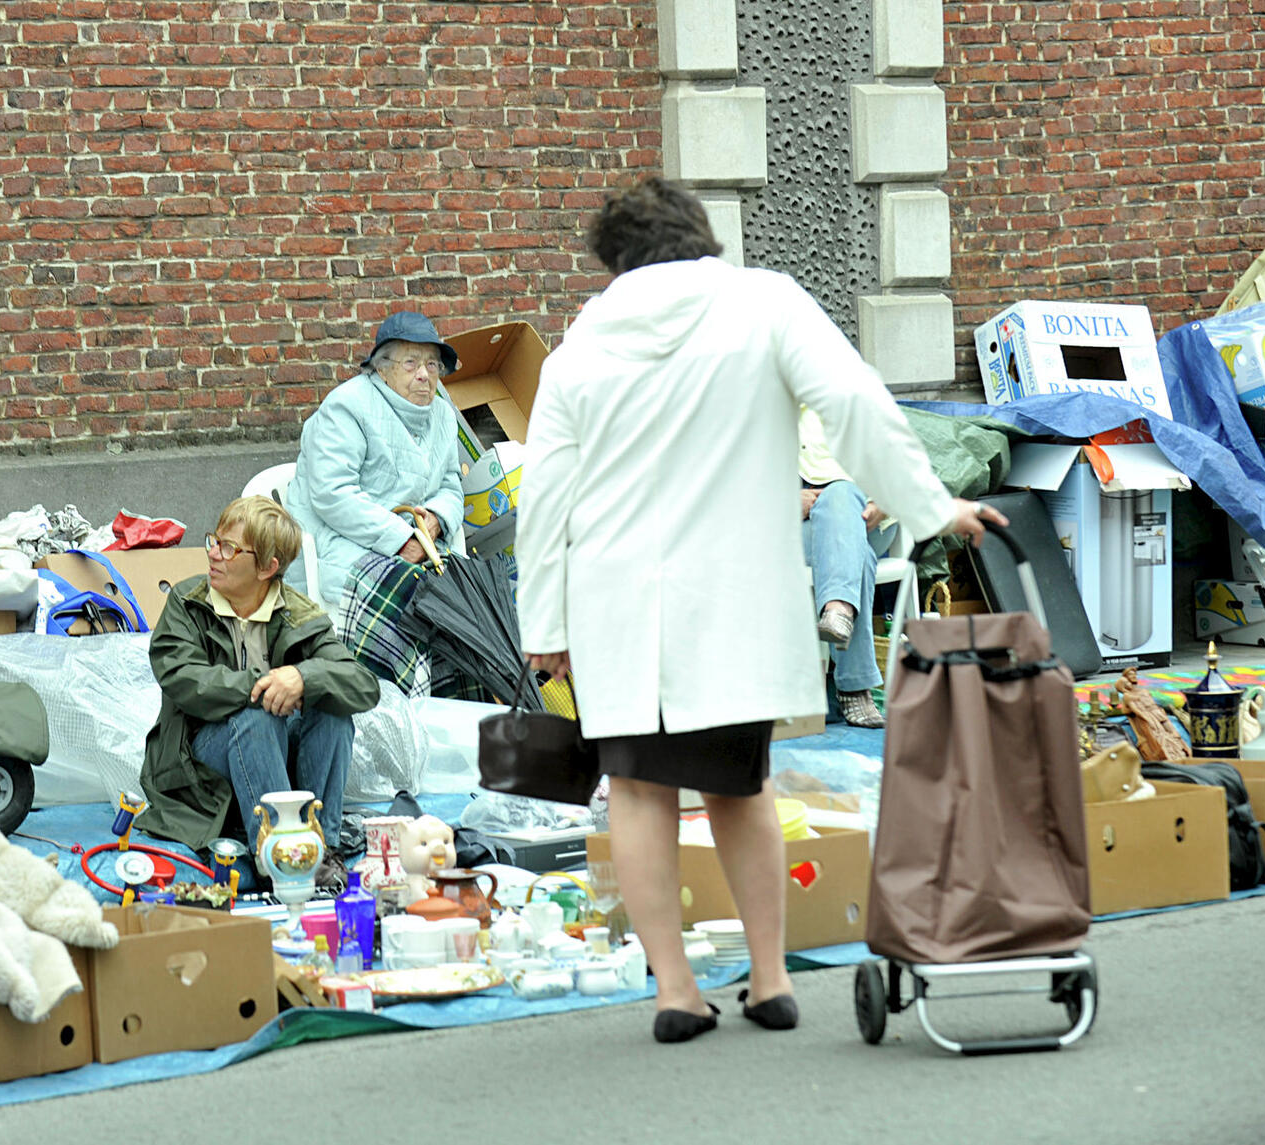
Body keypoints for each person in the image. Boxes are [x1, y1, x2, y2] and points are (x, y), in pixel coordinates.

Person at [517, 178, 1005, 1043]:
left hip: (616, 601)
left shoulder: (579, 348)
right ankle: (771, 979)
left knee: (636, 787)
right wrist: (932, 506)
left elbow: (546, 497)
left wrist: (545, 627)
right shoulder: (764, 304)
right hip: (732, 597)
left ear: (614, 260)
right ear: (703, 238)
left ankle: (675, 992)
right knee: (740, 785)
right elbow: (853, 401)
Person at [139, 495, 380, 881]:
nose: (214, 555)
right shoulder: (188, 602)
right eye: (214, 541)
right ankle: (279, 858)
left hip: (275, 760)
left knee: (334, 710)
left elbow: (363, 685)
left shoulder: (298, 614)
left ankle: (320, 849)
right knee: (257, 717)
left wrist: (304, 678)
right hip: (199, 764)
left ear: (268, 567)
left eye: (230, 548)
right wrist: (268, 683)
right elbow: (183, 678)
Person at [282, 311, 470, 696]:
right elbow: (333, 493)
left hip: (421, 545)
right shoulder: (347, 407)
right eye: (411, 363)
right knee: (417, 602)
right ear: (382, 370)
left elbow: (451, 484)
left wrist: (435, 520)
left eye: (432, 364)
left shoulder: (442, 414)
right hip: (343, 544)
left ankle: (460, 712)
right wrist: (403, 539)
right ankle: (406, 707)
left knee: (471, 600)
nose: (424, 374)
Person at [799, 406, 895, 728]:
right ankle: (855, 688)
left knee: (840, 492)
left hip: (868, 519)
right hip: (799, 528)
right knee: (857, 557)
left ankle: (838, 608)